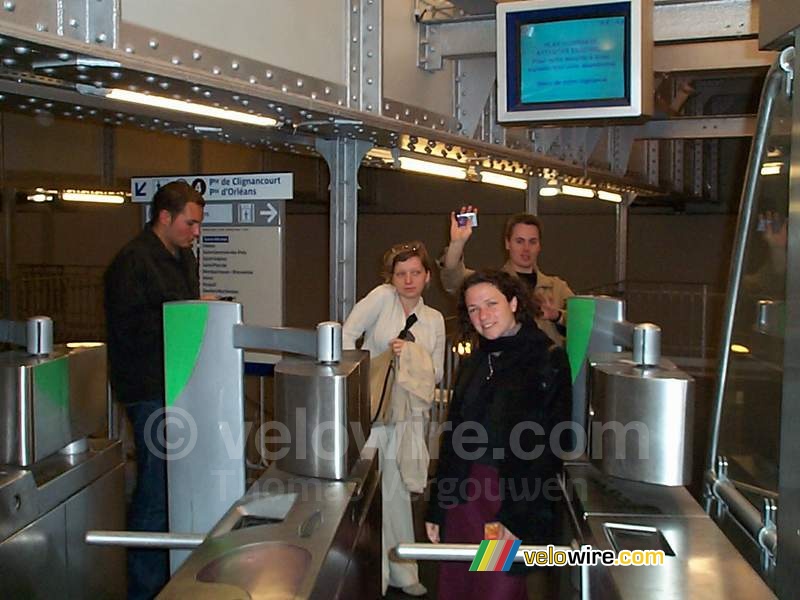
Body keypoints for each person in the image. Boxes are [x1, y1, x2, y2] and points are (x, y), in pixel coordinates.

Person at [425, 270, 572, 600]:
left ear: (514, 302)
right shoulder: (478, 357)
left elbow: (551, 448)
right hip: (463, 496)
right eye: (474, 309)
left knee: (495, 587)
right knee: (458, 586)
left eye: (491, 304)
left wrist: (515, 519)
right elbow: (454, 435)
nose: (483, 316)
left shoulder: (545, 358)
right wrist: (438, 507)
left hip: (505, 497)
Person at [104, 180, 205, 600]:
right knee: (156, 488)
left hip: (177, 383)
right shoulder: (132, 262)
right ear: (164, 217)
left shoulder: (183, 258)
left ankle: (167, 575)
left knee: (170, 483)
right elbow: (131, 329)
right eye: (190, 222)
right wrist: (185, 314)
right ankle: (145, 588)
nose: (195, 232)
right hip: (149, 388)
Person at [343, 241, 446, 598]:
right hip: (374, 413)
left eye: (415, 272)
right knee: (368, 494)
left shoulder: (433, 320)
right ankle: (374, 572)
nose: (408, 280)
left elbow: (436, 373)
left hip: (408, 418)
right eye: (401, 273)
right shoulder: (382, 298)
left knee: (400, 492)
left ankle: (404, 571)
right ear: (392, 277)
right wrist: (356, 378)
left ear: (427, 276)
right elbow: (347, 332)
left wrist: (411, 355)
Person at [440, 206, 574, 346]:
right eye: (519, 241)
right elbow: (453, 280)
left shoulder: (557, 287)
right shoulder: (492, 283)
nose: (526, 249)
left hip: (546, 364)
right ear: (507, 243)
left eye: (532, 242)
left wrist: (556, 316)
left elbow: (585, 324)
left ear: (540, 245)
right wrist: (457, 244)